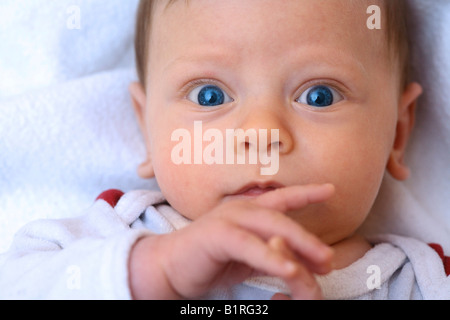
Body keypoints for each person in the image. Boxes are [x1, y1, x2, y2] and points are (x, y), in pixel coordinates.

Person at [1, 0, 448, 300]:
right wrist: (151, 271)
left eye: (320, 96)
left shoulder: (419, 279)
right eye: (209, 95)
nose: (261, 133)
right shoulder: (119, 236)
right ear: (147, 128)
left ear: (396, 132)